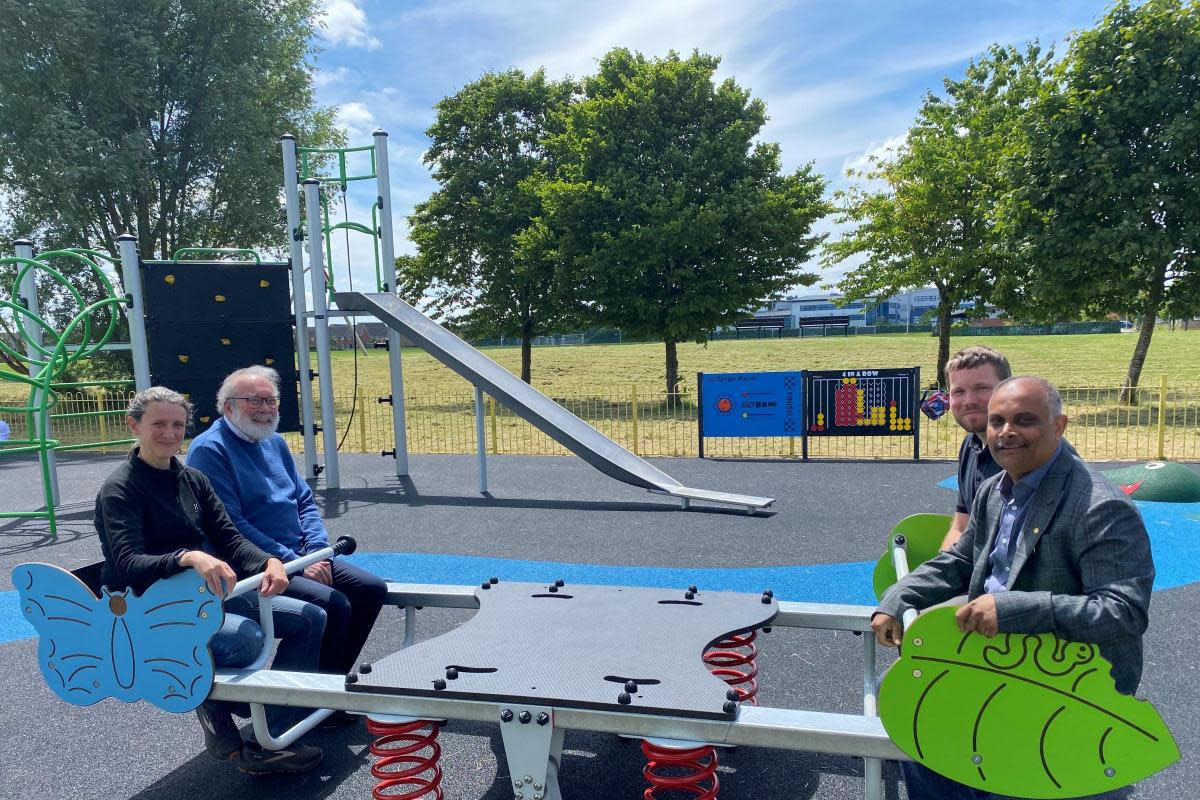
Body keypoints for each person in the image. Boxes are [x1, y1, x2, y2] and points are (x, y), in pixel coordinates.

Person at [872, 377, 1154, 799]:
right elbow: (961, 559)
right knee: (905, 706)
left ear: (1058, 426)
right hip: (999, 657)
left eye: (1025, 420)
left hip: (1058, 678)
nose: (1006, 432)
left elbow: (1122, 612)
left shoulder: (1100, 507)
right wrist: (900, 597)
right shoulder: (995, 490)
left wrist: (1012, 609)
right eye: (997, 421)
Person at [94, 386, 325, 775]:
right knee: (244, 637)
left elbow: (229, 538)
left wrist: (269, 561)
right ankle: (218, 708)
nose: (170, 433)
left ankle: (270, 730)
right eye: (159, 424)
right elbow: (129, 562)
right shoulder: (121, 490)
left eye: (178, 425)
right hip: (146, 605)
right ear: (134, 425)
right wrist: (188, 556)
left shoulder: (192, 479)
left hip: (196, 594)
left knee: (309, 617)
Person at [186, 365, 386, 690]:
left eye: (271, 401)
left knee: (370, 590)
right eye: (255, 401)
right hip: (254, 563)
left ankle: (328, 696)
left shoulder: (274, 442)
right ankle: (287, 702)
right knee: (331, 603)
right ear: (228, 407)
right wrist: (294, 560)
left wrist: (317, 553)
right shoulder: (210, 450)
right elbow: (232, 525)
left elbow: (303, 500)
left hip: (299, 557)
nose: (266, 409)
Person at [939, 346, 1010, 551]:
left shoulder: (1025, 453)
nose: (969, 401)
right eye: (959, 391)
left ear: (1007, 389)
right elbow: (961, 527)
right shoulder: (971, 445)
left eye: (982, 388)